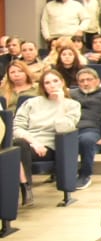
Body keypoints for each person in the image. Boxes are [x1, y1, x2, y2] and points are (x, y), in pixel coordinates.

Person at [12, 71, 81, 207]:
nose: (52, 85)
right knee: (17, 145)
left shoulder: (72, 105)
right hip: (28, 142)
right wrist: (34, 142)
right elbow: (16, 127)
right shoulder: (31, 102)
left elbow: (63, 129)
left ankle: (26, 188)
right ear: (43, 86)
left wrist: (61, 103)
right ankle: (25, 187)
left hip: (49, 147)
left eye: (55, 81)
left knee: (17, 147)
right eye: (47, 82)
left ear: (62, 82)